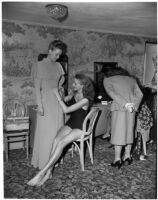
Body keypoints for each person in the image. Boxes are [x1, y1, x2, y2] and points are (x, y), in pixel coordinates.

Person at [27, 73, 95, 186]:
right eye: (73, 82)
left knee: (61, 143)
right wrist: (60, 93)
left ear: (82, 85)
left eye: (75, 83)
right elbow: (64, 100)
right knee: (55, 141)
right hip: (71, 122)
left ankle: (42, 172)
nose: (73, 85)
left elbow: (66, 110)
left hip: (81, 126)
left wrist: (57, 96)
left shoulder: (86, 100)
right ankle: (49, 172)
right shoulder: (75, 93)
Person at [31, 40, 67, 169]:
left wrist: (59, 87)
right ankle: (44, 162)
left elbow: (62, 79)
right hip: (46, 102)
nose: (57, 57)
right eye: (56, 54)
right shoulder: (39, 65)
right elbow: (36, 88)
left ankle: (54, 160)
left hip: (57, 102)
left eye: (59, 55)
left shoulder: (58, 66)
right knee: (46, 133)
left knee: (57, 132)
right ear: (49, 50)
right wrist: (40, 106)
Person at [103, 67, 143, 169]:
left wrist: (125, 104)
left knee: (118, 133)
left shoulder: (108, 79)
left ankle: (117, 159)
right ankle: (127, 156)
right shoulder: (131, 79)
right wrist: (133, 105)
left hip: (119, 108)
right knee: (129, 132)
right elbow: (140, 94)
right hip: (132, 110)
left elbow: (112, 93)